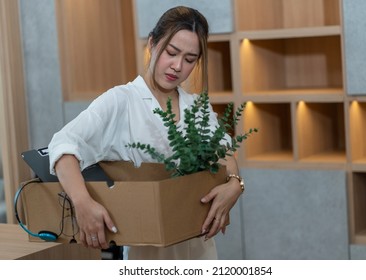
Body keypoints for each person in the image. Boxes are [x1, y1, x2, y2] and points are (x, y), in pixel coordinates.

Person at [48, 6, 243, 260]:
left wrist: (235, 184)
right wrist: (83, 204)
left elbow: (225, 155)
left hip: (201, 251)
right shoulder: (122, 101)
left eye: (190, 59)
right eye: (171, 53)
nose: (177, 66)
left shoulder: (197, 107)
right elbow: (63, 146)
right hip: (147, 257)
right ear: (152, 43)